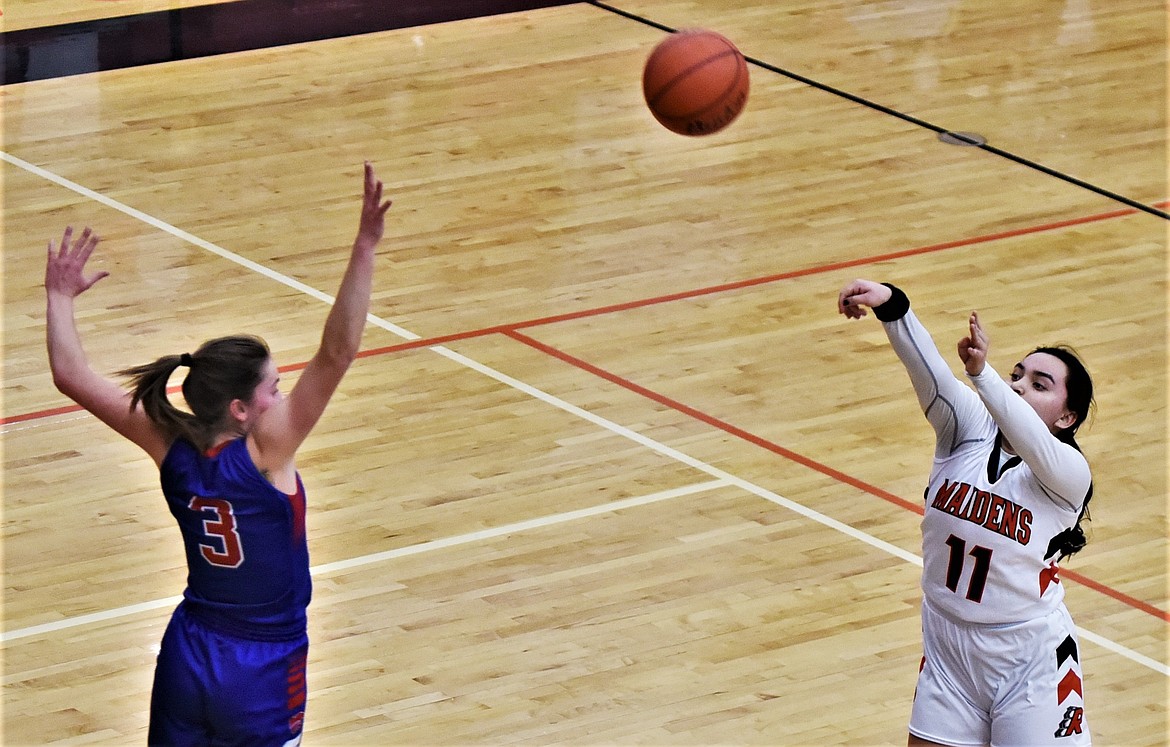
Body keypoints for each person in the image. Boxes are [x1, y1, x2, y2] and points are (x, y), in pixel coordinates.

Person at [44, 162, 392, 746]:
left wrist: (58, 297)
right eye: (273, 389)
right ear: (239, 409)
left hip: (188, 651)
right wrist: (364, 247)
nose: (281, 397)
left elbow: (70, 374)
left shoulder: (167, 443)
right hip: (261, 668)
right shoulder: (268, 451)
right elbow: (337, 353)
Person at [837, 280, 1094, 747]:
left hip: (1028, 660)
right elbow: (929, 372)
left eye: (1039, 385)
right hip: (947, 646)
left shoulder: (1068, 475)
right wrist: (893, 307)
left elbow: (1021, 429)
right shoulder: (967, 433)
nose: (1019, 387)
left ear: (1066, 418)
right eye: (1017, 376)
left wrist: (985, 375)